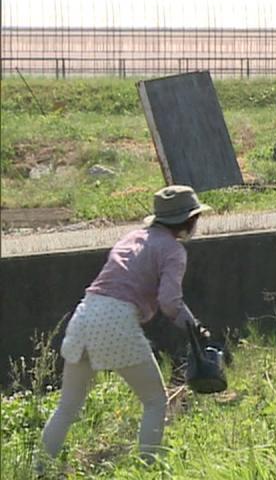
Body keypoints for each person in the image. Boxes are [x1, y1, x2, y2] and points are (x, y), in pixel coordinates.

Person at [39, 185, 211, 469]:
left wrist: (193, 325)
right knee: (155, 401)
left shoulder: (133, 237)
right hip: (117, 320)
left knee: (67, 407)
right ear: (189, 221)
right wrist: (196, 330)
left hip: (85, 313)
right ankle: (147, 468)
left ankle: (37, 471)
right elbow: (170, 302)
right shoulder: (173, 250)